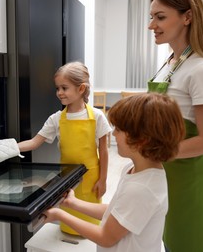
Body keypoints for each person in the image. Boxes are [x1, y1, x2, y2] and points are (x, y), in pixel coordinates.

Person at [43, 93, 186, 251]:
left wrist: (59, 215)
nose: (114, 134)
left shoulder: (142, 189)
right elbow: (116, 211)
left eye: (118, 129)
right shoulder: (137, 171)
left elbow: (106, 237)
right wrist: (73, 203)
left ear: (141, 139)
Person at [148, 0, 203, 251]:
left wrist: (154, 152)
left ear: (188, 17)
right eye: (151, 17)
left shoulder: (201, 70)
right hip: (168, 174)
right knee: (170, 241)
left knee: (189, 243)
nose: (151, 25)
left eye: (160, 17)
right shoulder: (170, 64)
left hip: (190, 180)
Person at [18, 61, 112, 235]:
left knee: (89, 222)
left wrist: (103, 179)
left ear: (81, 88)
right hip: (66, 179)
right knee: (68, 216)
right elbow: (33, 143)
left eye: (64, 88)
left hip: (91, 179)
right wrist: (8, 148)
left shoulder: (97, 116)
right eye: (57, 88)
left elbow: (104, 151)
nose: (59, 93)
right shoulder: (56, 119)